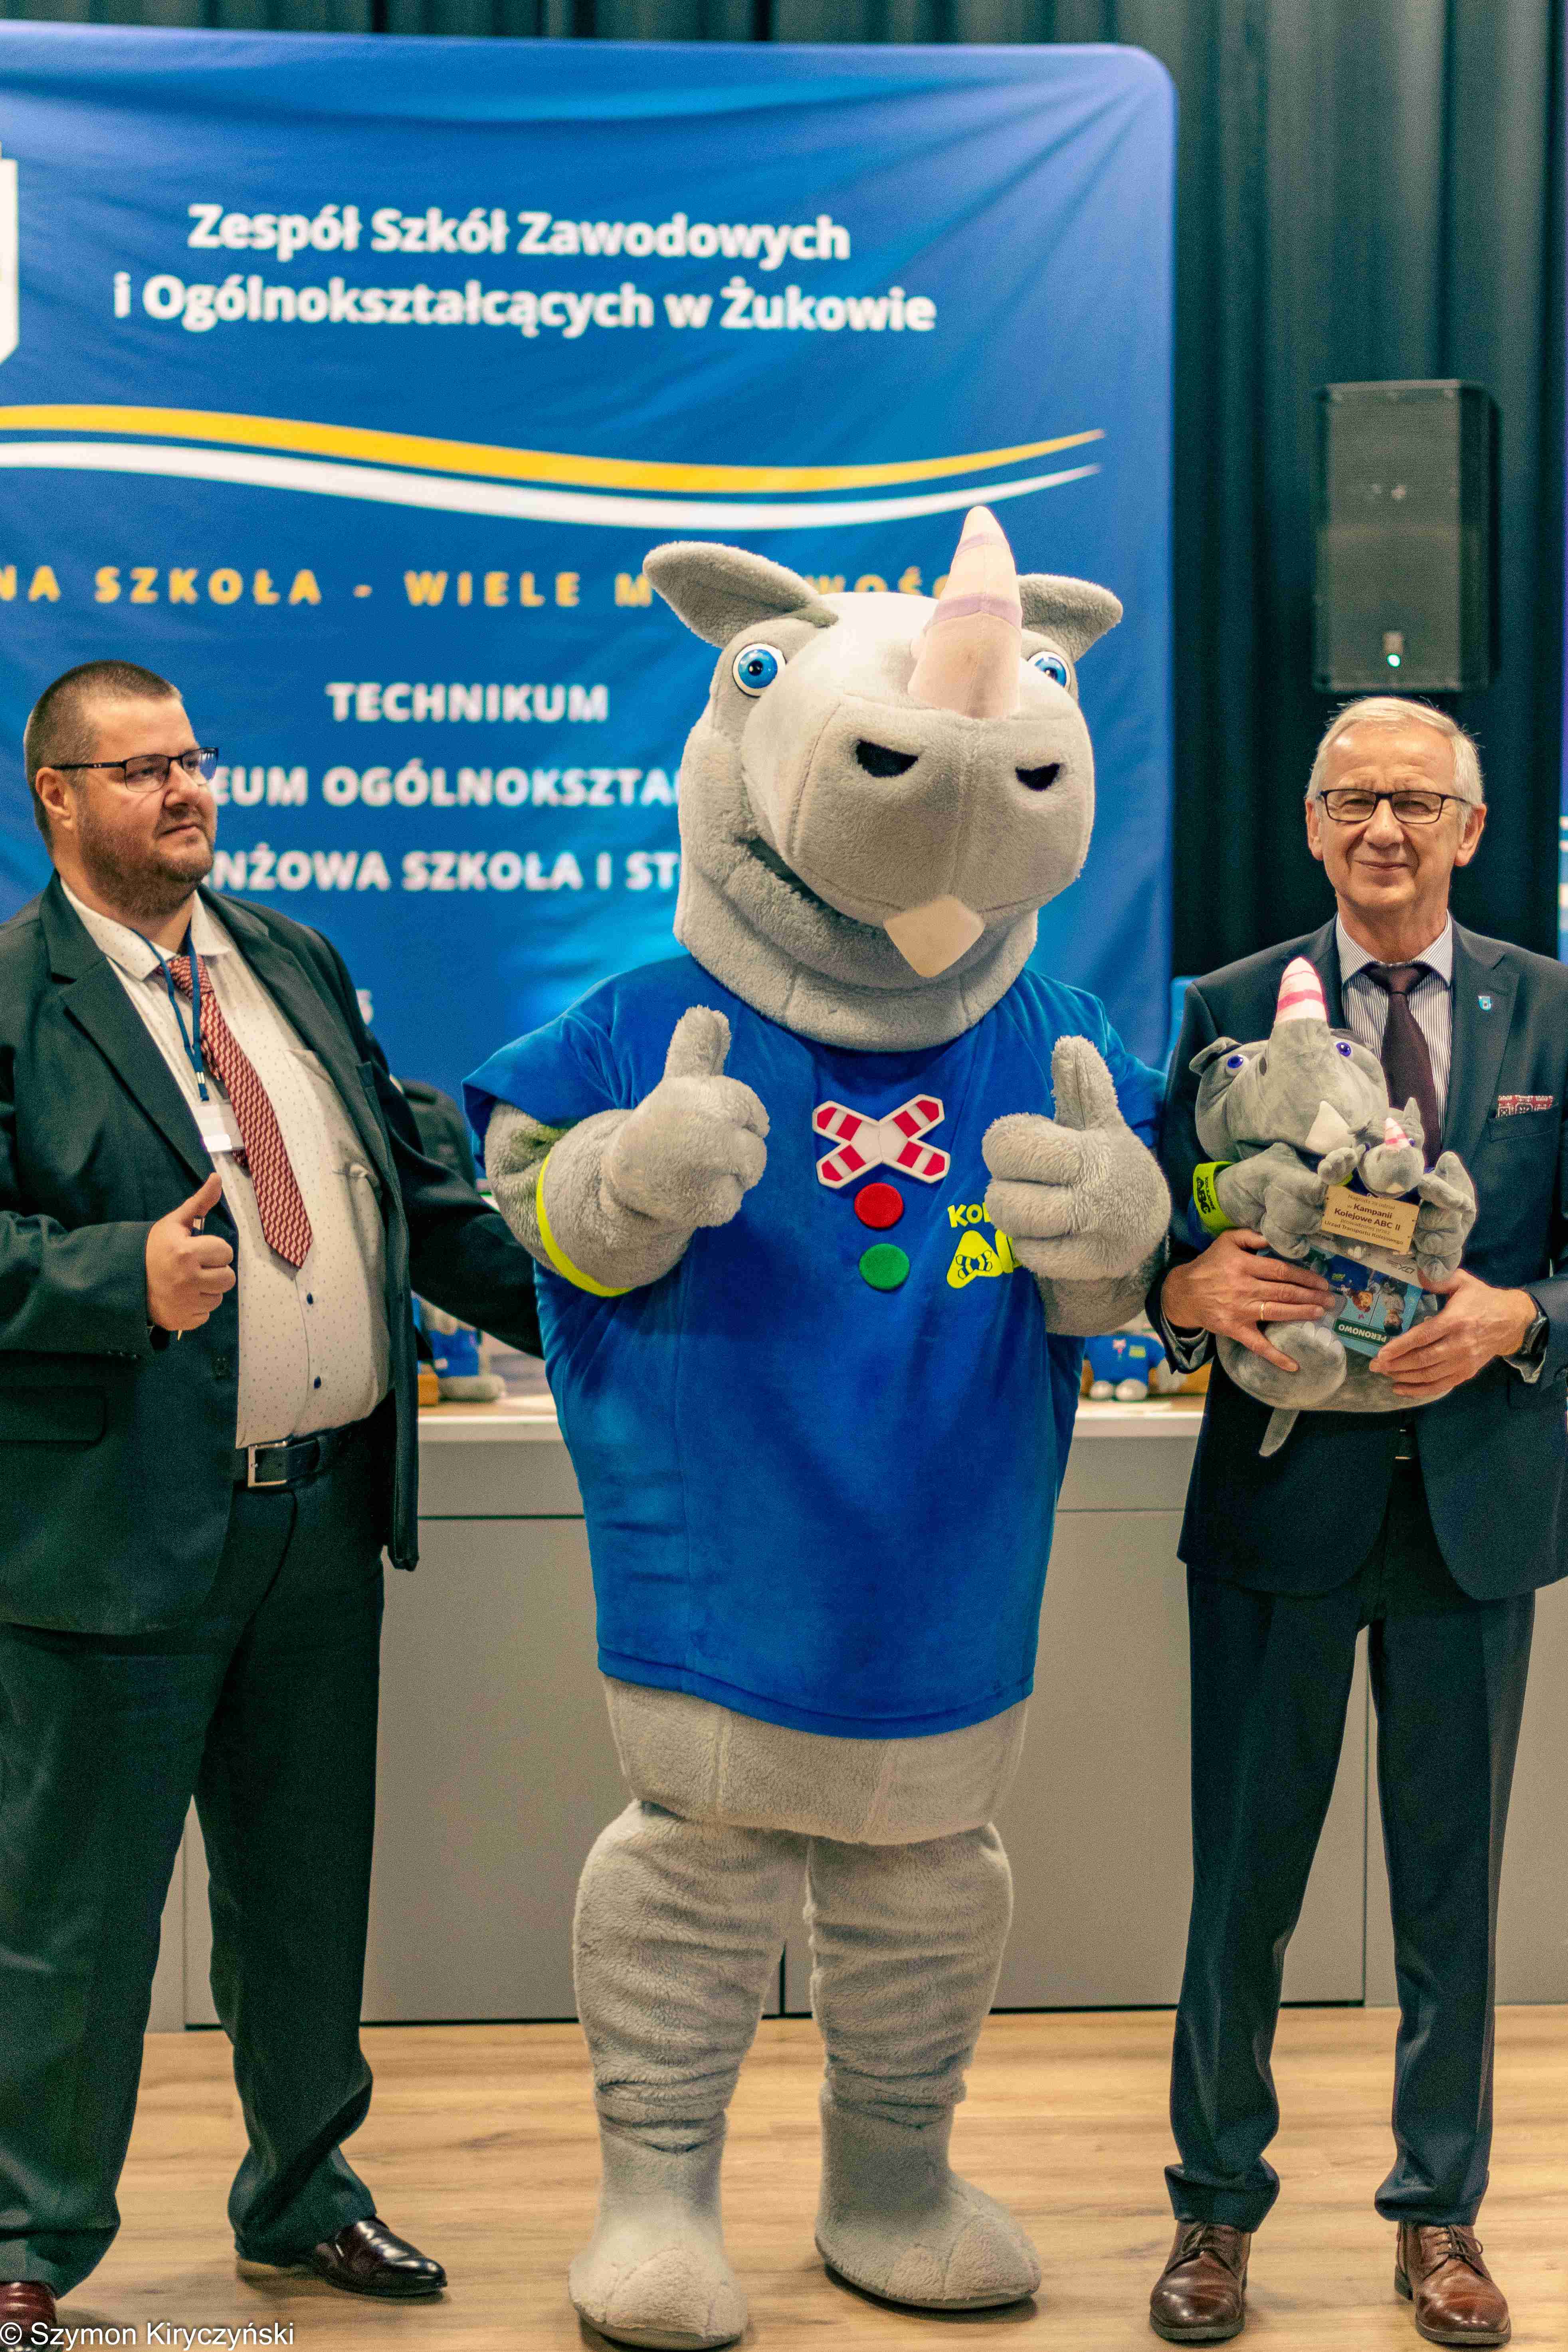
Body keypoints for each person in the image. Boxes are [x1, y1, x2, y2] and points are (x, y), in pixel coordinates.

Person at [0, 661, 543, 2335]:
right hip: (110, 1533)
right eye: (140, 769)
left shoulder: (289, 959)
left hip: (320, 1519)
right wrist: (113, 1279)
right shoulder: (15, 995)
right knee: (74, 1920)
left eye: (194, 759)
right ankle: (28, 2245)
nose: (185, 791)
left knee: (304, 1898)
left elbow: (419, 1199)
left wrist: (610, 1312)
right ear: (55, 796)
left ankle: (305, 2195)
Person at [1145, 696, 1567, 2346]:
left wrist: (1523, 1317)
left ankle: (1440, 2218)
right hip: (1280, 1501)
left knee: (1452, 1894)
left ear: (1470, 827)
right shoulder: (1224, 1007)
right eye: (1352, 800)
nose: (1383, 827)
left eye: (1415, 800)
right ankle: (1211, 2211)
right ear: (1312, 825)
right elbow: (1143, 1237)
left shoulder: (1553, 1011)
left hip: (1472, 1513)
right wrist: (1182, 1289)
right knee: (1240, 1885)